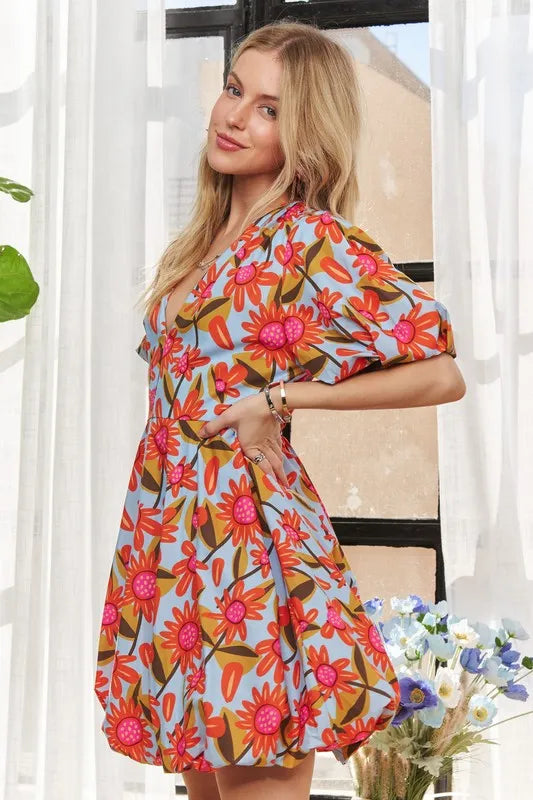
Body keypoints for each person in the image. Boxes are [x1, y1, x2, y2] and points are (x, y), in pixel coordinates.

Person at [94, 18, 466, 800]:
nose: (234, 117)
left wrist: (283, 397)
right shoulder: (201, 243)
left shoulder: (307, 241)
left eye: (268, 108)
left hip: (245, 542)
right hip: (170, 538)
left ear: (304, 130)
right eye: (234, 90)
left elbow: (438, 372)